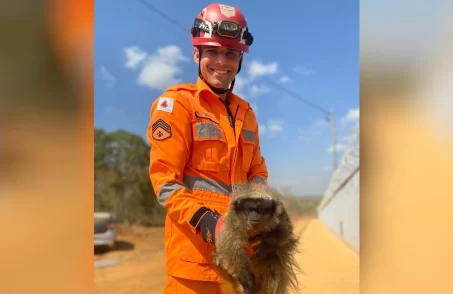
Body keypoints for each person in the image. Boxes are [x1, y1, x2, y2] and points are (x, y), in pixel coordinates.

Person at [147, 3, 268, 293]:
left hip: (241, 265)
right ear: (196, 53)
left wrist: (259, 213)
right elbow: (165, 182)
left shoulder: (246, 113)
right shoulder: (177, 105)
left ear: (240, 59)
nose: (221, 62)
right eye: (212, 51)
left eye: (230, 53)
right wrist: (211, 223)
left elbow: (257, 174)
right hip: (194, 266)